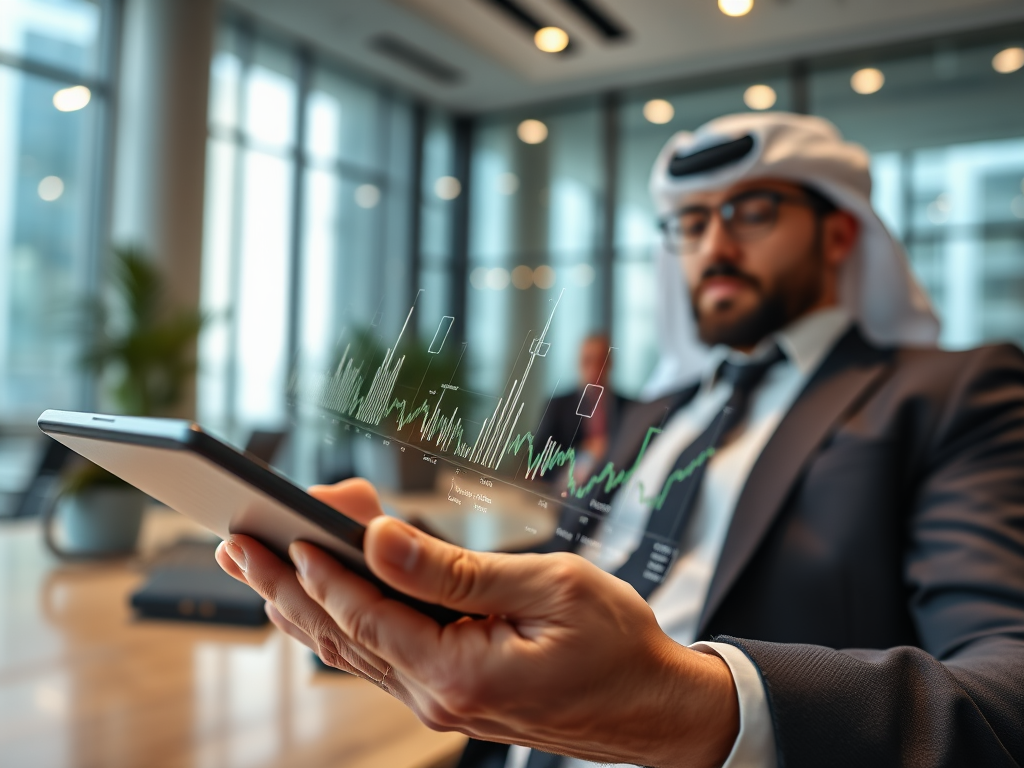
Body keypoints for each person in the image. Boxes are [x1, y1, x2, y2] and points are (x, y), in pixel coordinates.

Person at [215, 113, 1024, 768]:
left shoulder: (947, 394)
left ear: (840, 235)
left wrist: (696, 708)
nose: (714, 244)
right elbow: (581, 558)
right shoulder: (659, 411)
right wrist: (403, 563)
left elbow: (1007, 690)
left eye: (752, 211)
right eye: (693, 222)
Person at [534, 333, 632, 487]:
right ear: (578, 364)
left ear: (611, 364)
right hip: (568, 491)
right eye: (587, 361)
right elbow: (538, 459)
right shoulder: (558, 406)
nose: (594, 369)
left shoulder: (630, 408)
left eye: (601, 361)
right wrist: (585, 453)